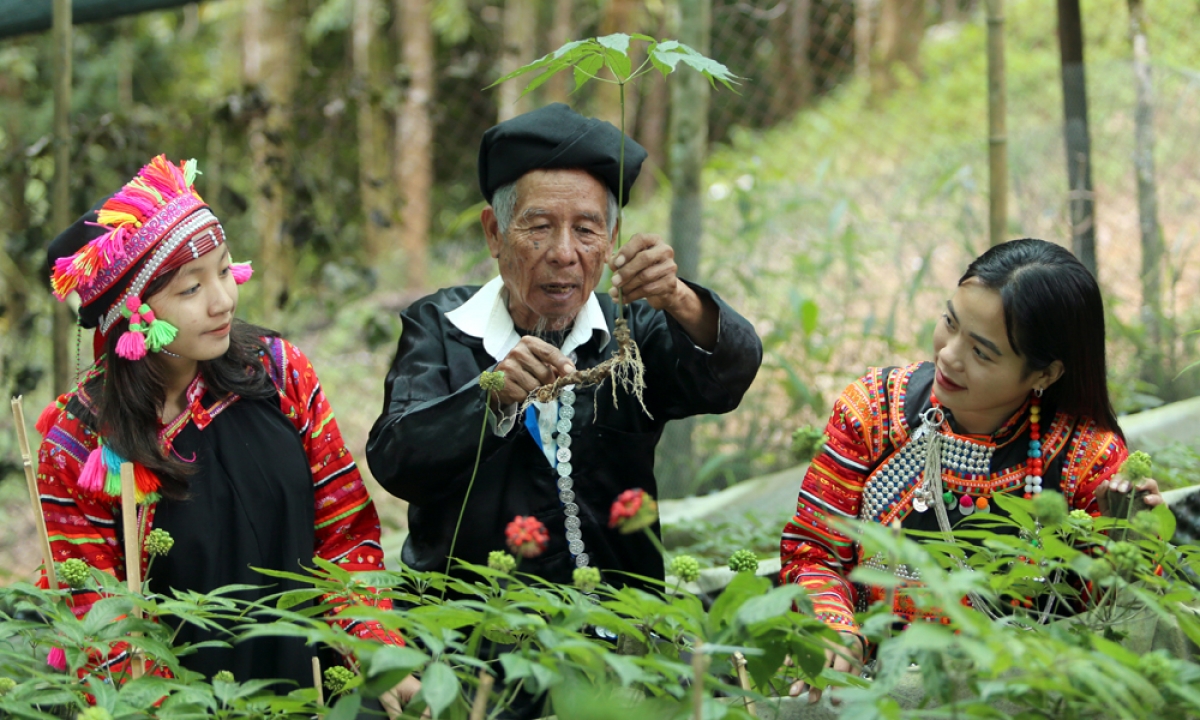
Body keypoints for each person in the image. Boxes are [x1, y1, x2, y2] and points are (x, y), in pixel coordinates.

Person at [38, 155, 418, 710]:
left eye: (222, 269)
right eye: (191, 289)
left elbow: (345, 530)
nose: (223, 300)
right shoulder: (81, 444)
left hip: (315, 689)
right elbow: (97, 623)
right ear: (133, 312)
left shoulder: (279, 371)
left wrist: (377, 650)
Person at [367, 103, 763, 589]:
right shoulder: (443, 327)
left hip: (622, 633)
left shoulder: (630, 331)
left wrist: (679, 298)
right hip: (475, 635)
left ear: (611, 237)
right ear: (495, 233)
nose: (563, 253)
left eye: (586, 229)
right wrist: (489, 397)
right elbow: (395, 460)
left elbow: (727, 377)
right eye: (538, 227)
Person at [779, 238, 1164, 702]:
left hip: (1018, 700)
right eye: (950, 322)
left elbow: (1108, 628)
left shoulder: (1088, 461)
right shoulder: (874, 411)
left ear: (1045, 373)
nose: (948, 355)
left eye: (982, 353)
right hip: (865, 694)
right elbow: (813, 550)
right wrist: (831, 625)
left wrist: (1133, 547)